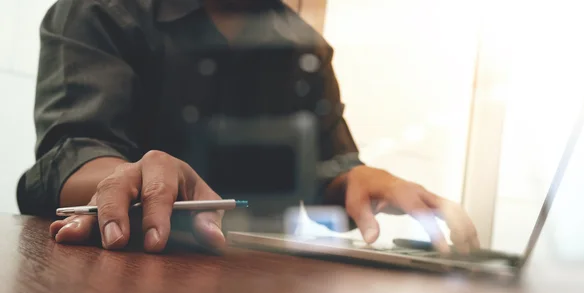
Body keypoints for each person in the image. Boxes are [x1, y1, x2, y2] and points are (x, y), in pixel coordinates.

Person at [17, 0, 480, 254]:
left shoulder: (306, 47)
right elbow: (71, 151)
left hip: (266, 291)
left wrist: (357, 178)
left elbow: (328, 166)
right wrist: (134, 178)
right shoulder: (98, 12)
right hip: (118, 278)